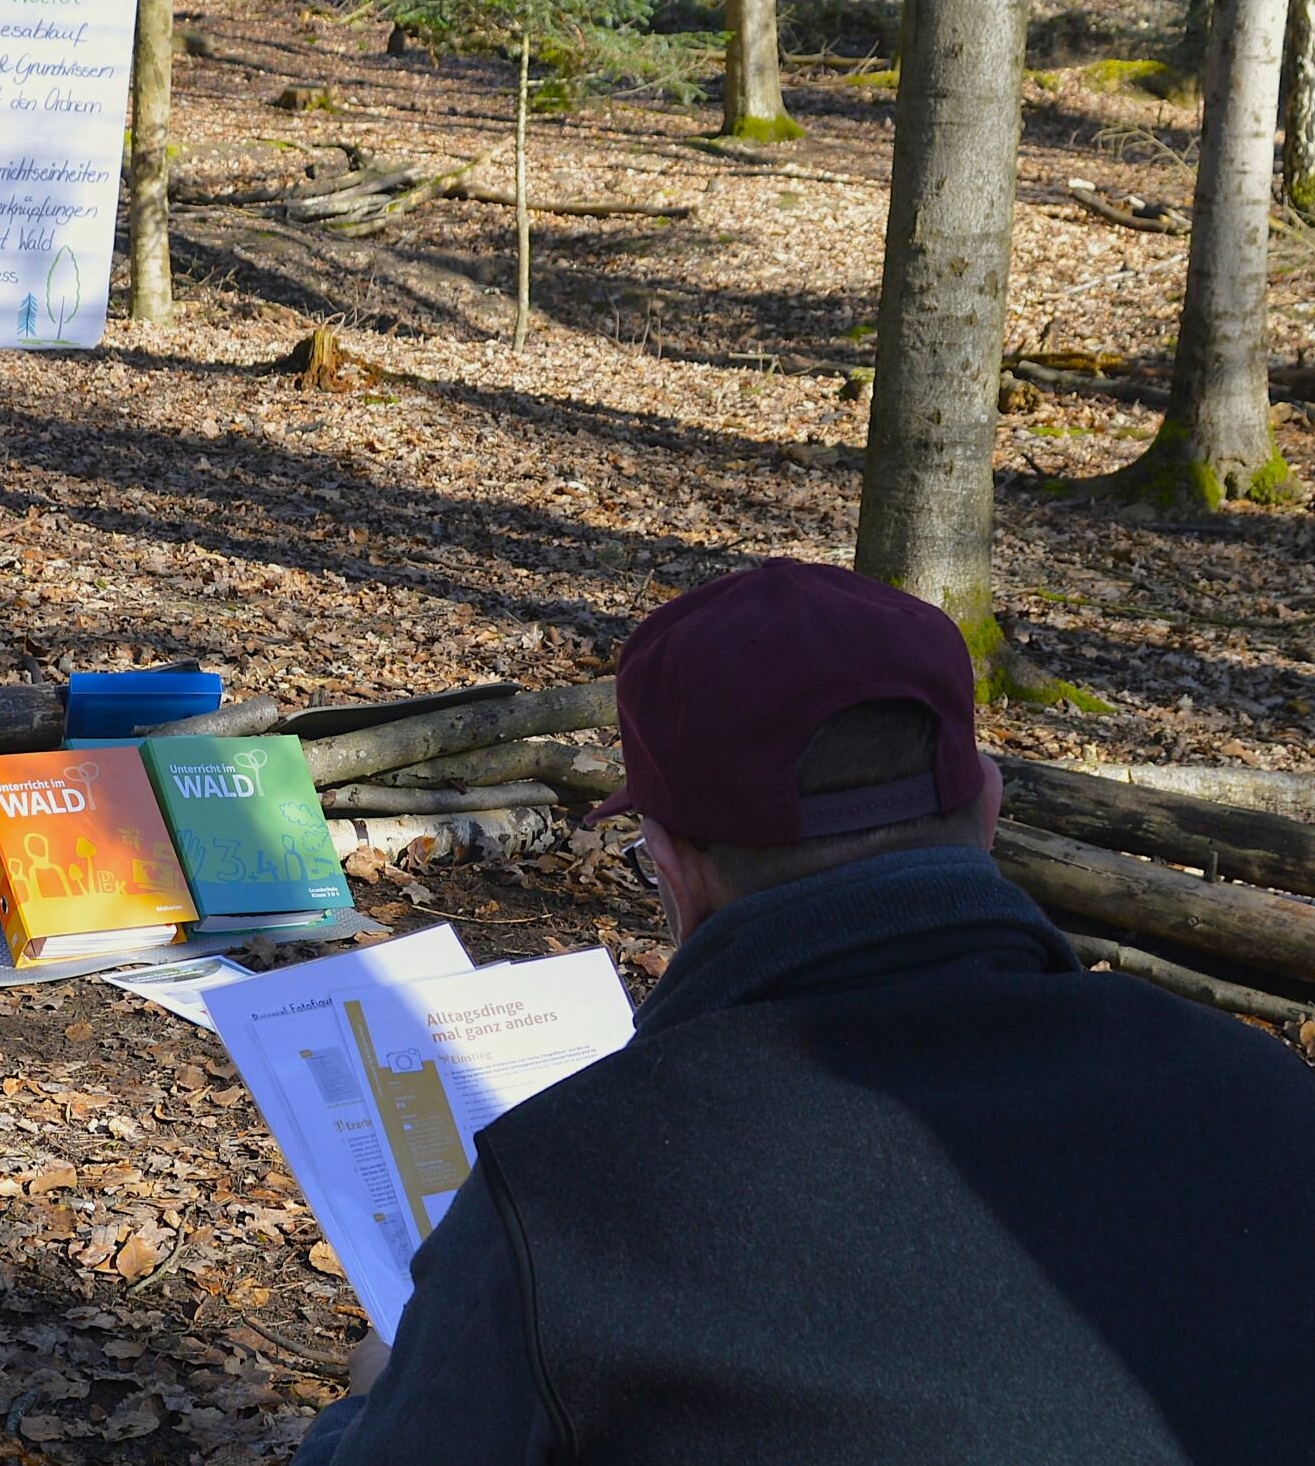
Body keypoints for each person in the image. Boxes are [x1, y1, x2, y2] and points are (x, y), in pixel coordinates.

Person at [293, 559, 1315, 1466]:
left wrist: (375, 1400)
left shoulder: (565, 1193)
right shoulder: (1263, 1100)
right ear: (988, 808)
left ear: (671, 866)